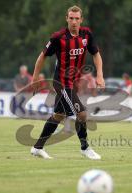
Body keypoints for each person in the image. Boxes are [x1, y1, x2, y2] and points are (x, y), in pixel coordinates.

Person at [30, 5, 105, 160]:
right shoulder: (58, 37)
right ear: (67, 19)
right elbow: (42, 56)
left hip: (74, 83)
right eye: (71, 18)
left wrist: (100, 75)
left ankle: (37, 147)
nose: (74, 22)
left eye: (77, 19)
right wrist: (35, 77)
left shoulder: (87, 35)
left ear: (81, 20)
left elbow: (96, 54)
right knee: (82, 114)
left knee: (58, 116)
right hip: (62, 83)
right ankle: (85, 148)